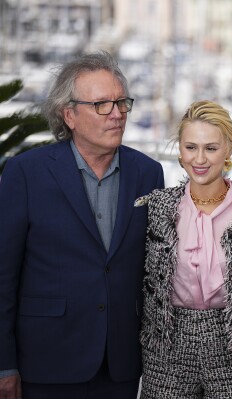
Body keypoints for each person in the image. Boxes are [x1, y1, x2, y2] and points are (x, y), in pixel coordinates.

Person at [0, 50, 164, 399]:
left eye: (122, 102)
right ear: (70, 115)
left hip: (120, 364)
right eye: (102, 104)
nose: (117, 114)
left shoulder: (149, 173)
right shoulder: (25, 173)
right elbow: (2, 276)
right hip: (46, 361)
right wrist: (4, 364)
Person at [135, 100, 232, 398]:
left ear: (229, 149)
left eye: (211, 148)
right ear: (180, 150)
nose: (199, 159)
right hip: (168, 347)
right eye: (191, 147)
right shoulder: (158, 207)